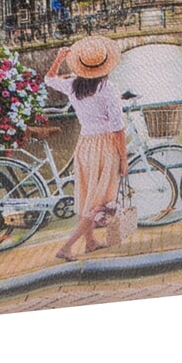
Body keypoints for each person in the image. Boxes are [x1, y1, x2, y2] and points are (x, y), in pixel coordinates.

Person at [44, 36, 127, 261]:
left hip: (85, 144)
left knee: (90, 194)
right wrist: (123, 158)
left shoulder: (73, 85)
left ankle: (90, 242)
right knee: (99, 201)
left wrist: (59, 58)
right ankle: (66, 247)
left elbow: (49, 79)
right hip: (105, 146)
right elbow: (118, 128)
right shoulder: (108, 89)